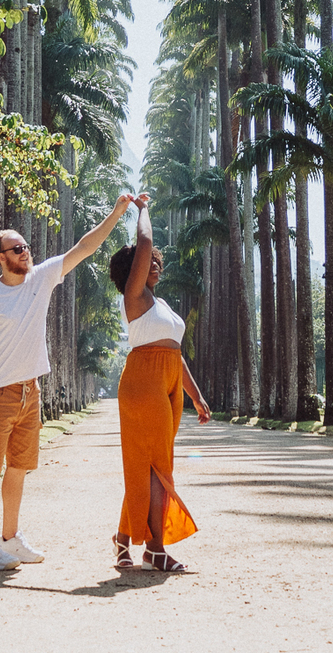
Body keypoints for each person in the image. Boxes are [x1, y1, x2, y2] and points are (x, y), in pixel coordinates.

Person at [0, 192, 137, 571]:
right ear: (1, 258)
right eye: (17, 249)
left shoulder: (43, 277)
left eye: (26, 247)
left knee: (18, 467)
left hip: (29, 391)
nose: (25, 253)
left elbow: (84, 246)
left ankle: (10, 539)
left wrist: (116, 213)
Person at [110, 193, 210, 574]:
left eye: (154, 263)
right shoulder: (134, 297)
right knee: (155, 468)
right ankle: (154, 548)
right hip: (143, 382)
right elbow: (147, 241)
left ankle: (123, 538)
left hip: (167, 384)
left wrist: (196, 397)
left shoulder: (161, 304)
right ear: (131, 269)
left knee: (150, 466)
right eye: (145, 262)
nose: (153, 263)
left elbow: (176, 353)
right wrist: (143, 208)